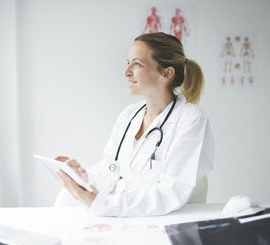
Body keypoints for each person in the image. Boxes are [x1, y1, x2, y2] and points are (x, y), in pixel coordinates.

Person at [56, 32, 214, 217]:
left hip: (160, 220)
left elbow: (170, 192)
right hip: (122, 214)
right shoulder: (129, 115)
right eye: (128, 62)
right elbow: (112, 168)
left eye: (137, 64)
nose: (127, 71)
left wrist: (105, 204)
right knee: (65, 205)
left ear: (166, 73)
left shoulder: (190, 119)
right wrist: (84, 178)